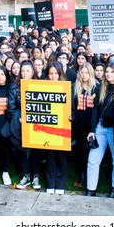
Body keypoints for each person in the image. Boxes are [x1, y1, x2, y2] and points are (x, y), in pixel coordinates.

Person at [86, 63, 114, 197]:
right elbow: (95, 109)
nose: (108, 74)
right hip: (100, 128)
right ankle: (91, 189)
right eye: (106, 72)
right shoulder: (101, 87)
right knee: (93, 160)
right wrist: (92, 129)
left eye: (111, 72)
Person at [10, 60, 42, 190]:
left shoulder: (39, 85)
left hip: (35, 121)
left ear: (33, 72)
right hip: (20, 122)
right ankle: (26, 175)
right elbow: (11, 107)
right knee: (23, 149)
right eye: (23, 71)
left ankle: (36, 176)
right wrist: (17, 118)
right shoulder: (15, 87)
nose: (24, 73)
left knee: (35, 150)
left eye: (27, 70)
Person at [71, 63, 100, 189]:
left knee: (89, 151)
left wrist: (93, 127)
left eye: (86, 73)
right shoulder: (74, 87)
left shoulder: (96, 88)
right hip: (78, 124)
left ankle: (90, 178)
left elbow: (97, 109)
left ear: (91, 73)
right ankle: (81, 176)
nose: (84, 75)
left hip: (91, 124)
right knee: (79, 152)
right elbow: (71, 106)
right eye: (82, 72)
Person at [44, 62, 69, 195]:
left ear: (60, 74)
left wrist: (71, 116)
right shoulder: (42, 87)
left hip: (62, 127)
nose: (53, 76)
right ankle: (50, 183)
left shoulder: (66, 87)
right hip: (47, 128)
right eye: (50, 74)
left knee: (61, 156)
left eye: (56, 74)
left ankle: (60, 184)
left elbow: (72, 107)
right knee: (50, 156)